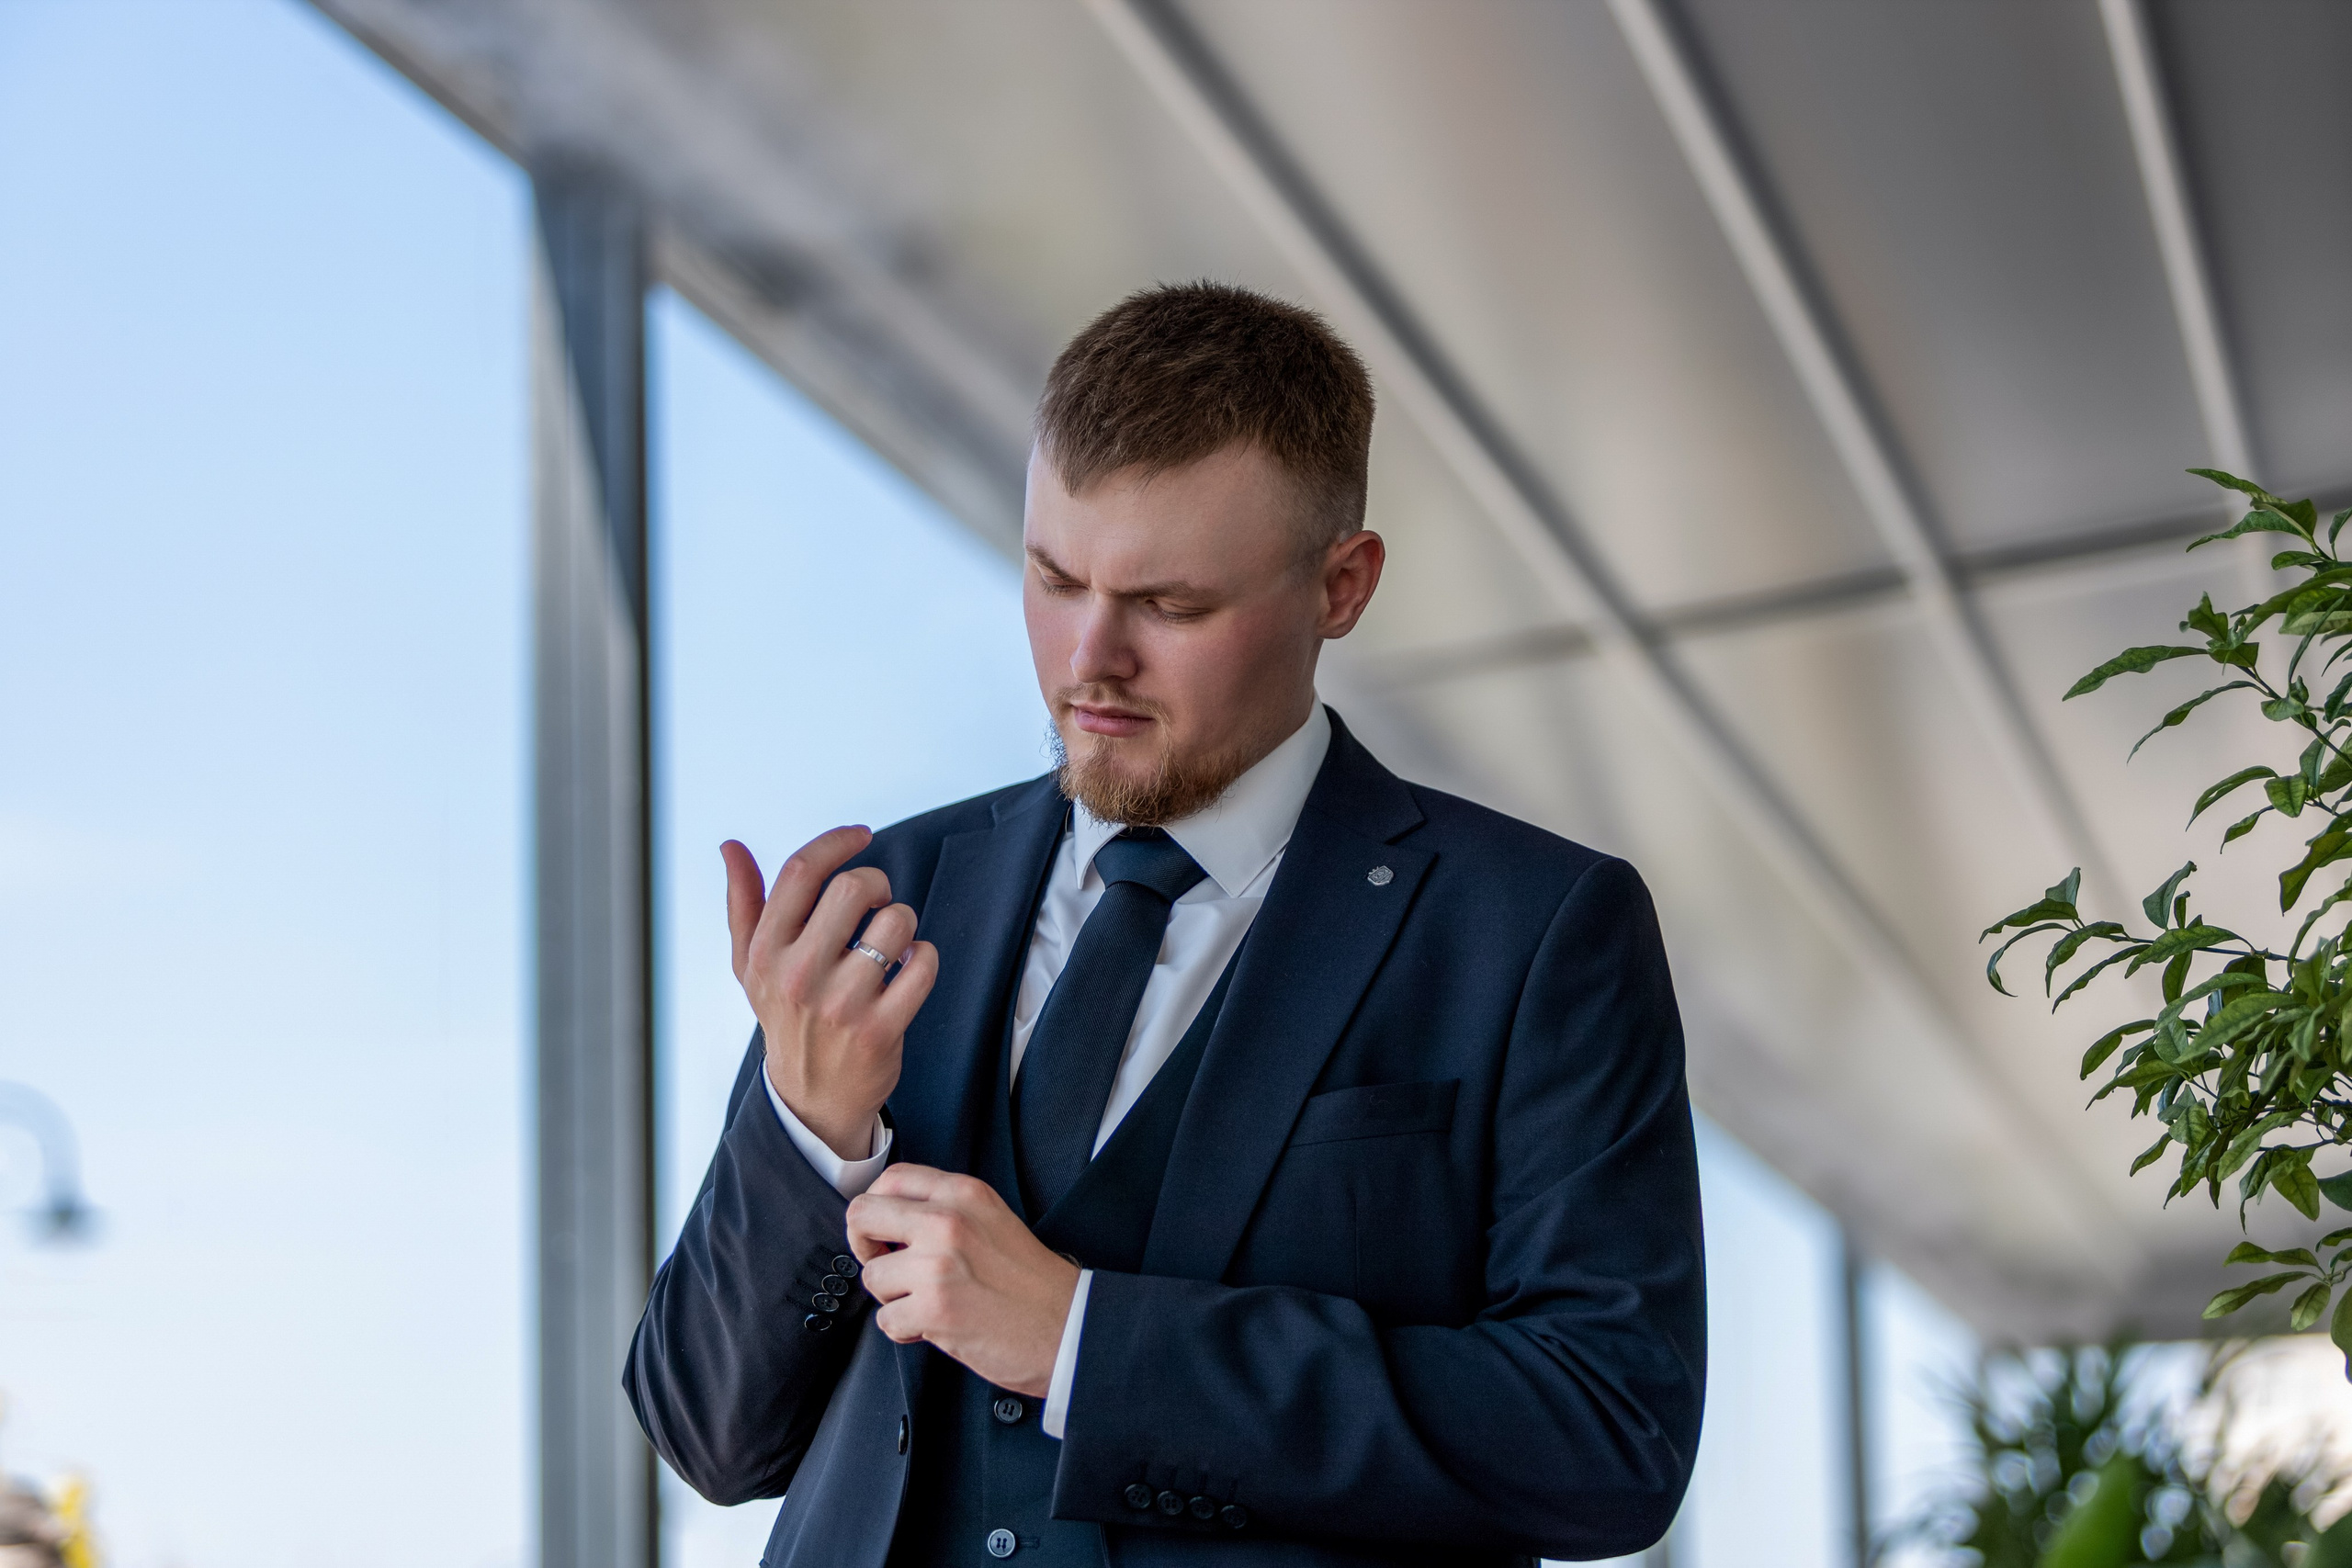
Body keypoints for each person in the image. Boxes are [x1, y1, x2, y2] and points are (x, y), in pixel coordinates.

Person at [626, 282, 1704, 1568]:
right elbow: (707, 1431)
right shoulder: (895, 898)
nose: (1091, 659)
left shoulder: (1532, 934)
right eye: (1053, 577)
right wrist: (811, 1136)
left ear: (1342, 586)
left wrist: (1087, 1343)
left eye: (1172, 606)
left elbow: (1608, 1434)